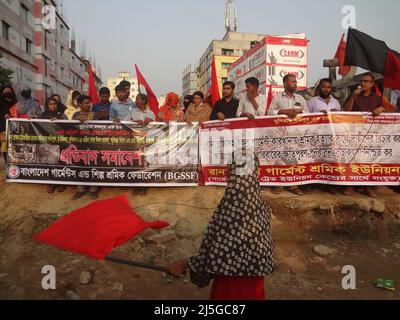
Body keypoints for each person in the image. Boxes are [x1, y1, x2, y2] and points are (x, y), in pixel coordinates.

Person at [168, 156, 275, 300]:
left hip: (230, 287)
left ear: (230, 171)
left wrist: (184, 264)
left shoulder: (231, 206)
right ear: (256, 171)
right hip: (254, 285)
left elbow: (217, 253)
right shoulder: (261, 206)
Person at [343, 73, 386, 198]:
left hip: (371, 135)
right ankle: (350, 185)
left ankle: (368, 186)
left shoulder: (377, 98)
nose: (363, 83)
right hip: (355, 133)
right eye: (362, 81)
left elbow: (388, 111)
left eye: (366, 81)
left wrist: (382, 109)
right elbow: (346, 111)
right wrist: (353, 96)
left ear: (372, 84)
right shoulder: (354, 95)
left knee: (369, 160)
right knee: (353, 159)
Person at [268, 74, 309, 196]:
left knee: (294, 159)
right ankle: (279, 184)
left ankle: (294, 185)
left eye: (296, 81)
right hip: (280, 135)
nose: (295, 84)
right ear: (285, 83)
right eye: (292, 81)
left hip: (296, 136)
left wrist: (300, 112)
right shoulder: (277, 98)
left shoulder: (300, 98)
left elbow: (308, 113)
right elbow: (269, 112)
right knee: (279, 159)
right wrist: (283, 111)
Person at [71, 95, 99, 200]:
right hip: (79, 144)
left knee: (92, 166)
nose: (88, 105)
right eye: (86, 103)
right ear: (80, 104)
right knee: (80, 166)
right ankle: (81, 189)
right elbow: (70, 127)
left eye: (89, 103)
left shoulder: (94, 115)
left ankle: (93, 190)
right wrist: (77, 120)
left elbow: (97, 128)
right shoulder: (75, 115)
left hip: (92, 144)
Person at [40, 97, 67, 194]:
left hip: (60, 142)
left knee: (61, 162)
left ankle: (61, 184)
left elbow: (68, 125)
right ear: (47, 105)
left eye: (55, 104)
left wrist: (59, 120)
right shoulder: (43, 115)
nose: (53, 106)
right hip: (48, 143)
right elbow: (37, 125)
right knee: (50, 163)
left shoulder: (62, 115)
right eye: (50, 104)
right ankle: (51, 184)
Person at [0, 85, 17, 162]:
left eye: (9, 90)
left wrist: (10, 115)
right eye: (5, 90)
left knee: (6, 148)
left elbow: (16, 113)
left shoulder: (15, 102)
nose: (7, 92)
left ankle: (8, 165)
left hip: (8, 127)